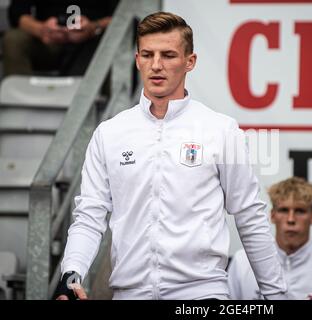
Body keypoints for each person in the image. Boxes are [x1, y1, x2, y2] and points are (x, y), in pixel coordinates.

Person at [54, 11, 287, 300]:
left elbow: (249, 216)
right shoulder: (109, 133)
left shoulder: (221, 130)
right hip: (130, 294)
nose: (156, 65)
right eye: (147, 54)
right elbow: (90, 216)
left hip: (202, 295)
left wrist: (276, 295)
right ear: (137, 59)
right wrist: (72, 273)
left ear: (190, 62)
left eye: (168, 55)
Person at [228, 177, 312, 300]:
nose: (291, 219)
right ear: (272, 216)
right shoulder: (242, 263)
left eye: (300, 211)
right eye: (284, 210)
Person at [3, 0, 118, 76]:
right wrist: (42, 30)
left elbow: (124, 14)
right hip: (47, 41)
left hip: (94, 42)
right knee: (14, 39)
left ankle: (105, 106)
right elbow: (17, 13)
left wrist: (94, 27)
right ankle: (20, 102)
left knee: (112, 42)